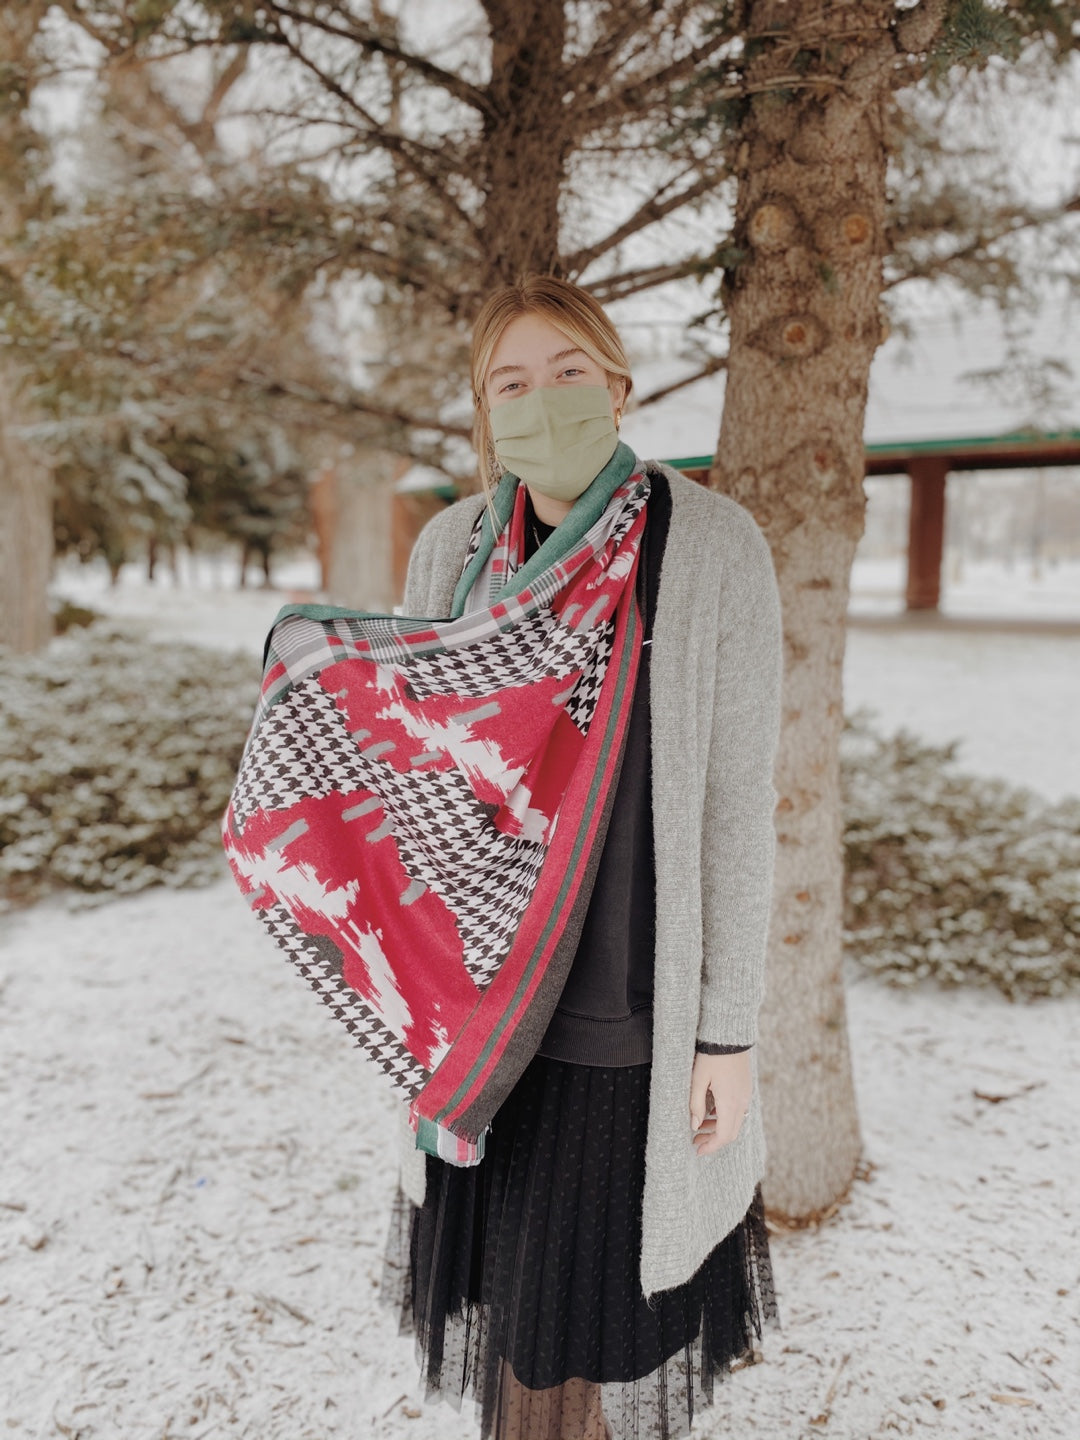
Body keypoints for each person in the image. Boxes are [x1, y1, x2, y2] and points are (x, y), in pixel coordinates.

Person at [381, 274, 784, 1440]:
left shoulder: (708, 547)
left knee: (592, 1309)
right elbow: (413, 759)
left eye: (569, 373)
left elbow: (735, 805)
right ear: (485, 410)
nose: (542, 399)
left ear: (617, 386)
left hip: (625, 1008)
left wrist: (728, 1030)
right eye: (512, 382)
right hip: (482, 1008)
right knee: (511, 1309)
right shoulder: (455, 546)